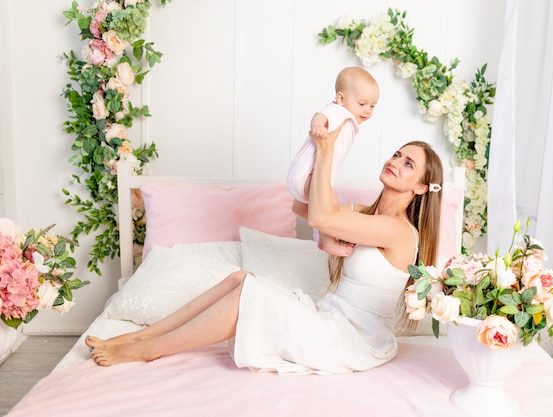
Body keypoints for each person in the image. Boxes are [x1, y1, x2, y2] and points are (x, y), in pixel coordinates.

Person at [85, 125, 443, 375]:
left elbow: (320, 213)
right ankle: (144, 335)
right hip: (329, 316)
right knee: (239, 279)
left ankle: (147, 350)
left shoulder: (398, 231)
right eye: (397, 154)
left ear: (422, 188)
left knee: (248, 297)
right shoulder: (365, 214)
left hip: (353, 338)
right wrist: (325, 234)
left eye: (408, 164)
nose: (395, 161)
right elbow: (302, 208)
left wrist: (328, 151)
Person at [287, 66, 379, 257]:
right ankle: (328, 241)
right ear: (341, 98)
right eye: (362, 103)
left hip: (301, 177)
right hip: (308, 176)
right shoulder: (339, 112)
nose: (367, 110)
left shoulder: (345, 117)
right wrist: (318, 126)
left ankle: (320, 236)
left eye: (372, 105)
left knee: (307, 208)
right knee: (330, 208)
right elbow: (320, 115)